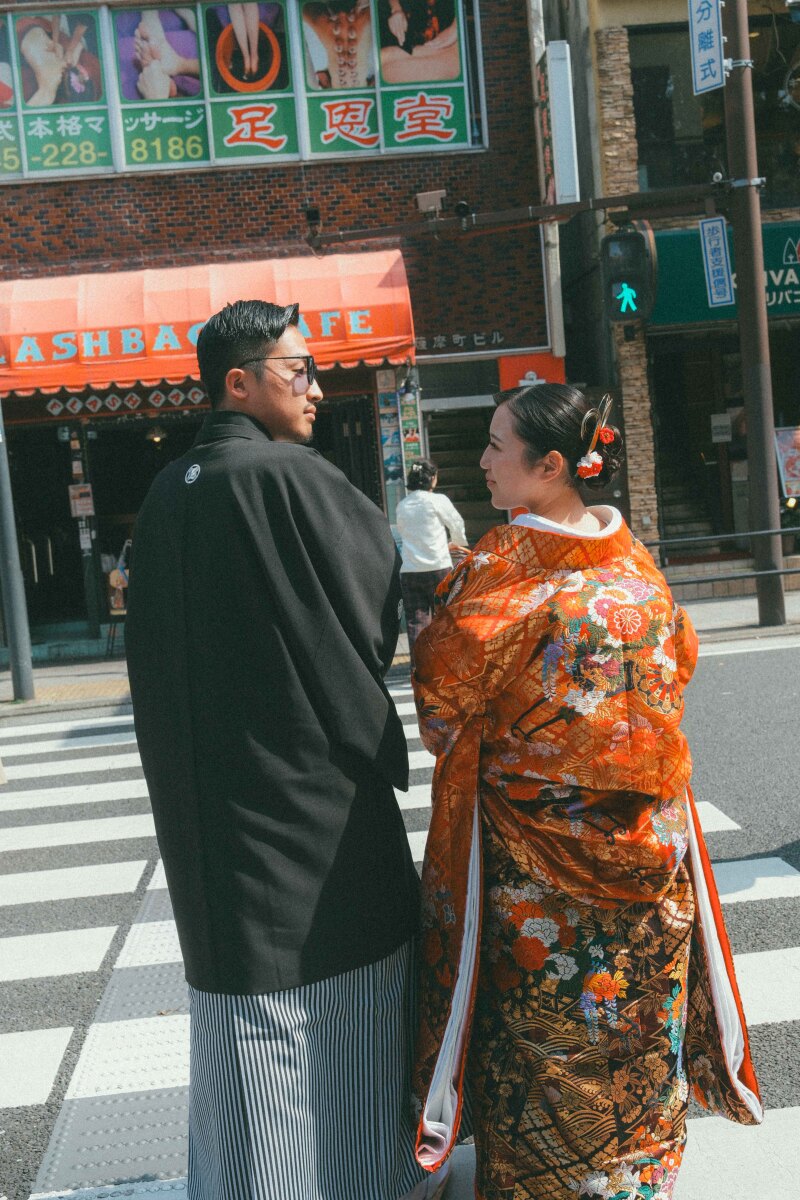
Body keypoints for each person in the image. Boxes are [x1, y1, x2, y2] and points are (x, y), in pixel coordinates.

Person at [125, 300, 448, 1200]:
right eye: (297, 369)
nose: (316, 386)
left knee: (240, 1018)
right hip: (307, 805)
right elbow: (371, 598)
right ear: (240, 382)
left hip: (210, 807)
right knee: (330, 1009)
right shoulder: (286, 477)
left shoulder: (171, 487)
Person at [409, 384, 762, 1200]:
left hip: (538, 866)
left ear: (553, 466)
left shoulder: (500, 572)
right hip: (650, 846)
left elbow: (442, 704)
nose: (484, 461)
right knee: (637, 1028)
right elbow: (678, 667)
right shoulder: (638, 568)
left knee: (544, 1032)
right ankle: (636, 1181)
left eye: (497, 446)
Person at [396, 457, 468, 656]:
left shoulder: (402, 505)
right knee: (444, 618)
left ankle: (420, 670)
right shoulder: (438, 501)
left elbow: (405, 533)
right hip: (439, 567)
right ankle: (445, 665)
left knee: (416, 622)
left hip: (410, 571)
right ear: (432, 479)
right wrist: (457, 543)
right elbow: (456, 524)